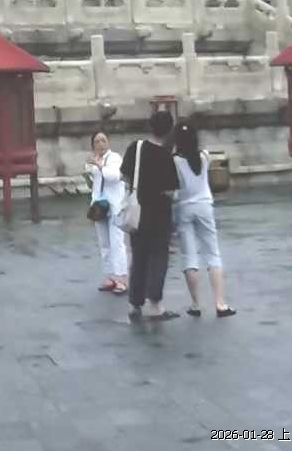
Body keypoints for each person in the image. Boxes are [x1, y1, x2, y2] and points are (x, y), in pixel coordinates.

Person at [119, 110, 179, 321]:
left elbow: (124, 176)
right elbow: (170, 191)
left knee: (139, 258)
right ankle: (155, 305)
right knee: (158, 258)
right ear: (169, 130)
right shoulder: (166, 157)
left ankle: (135, 303)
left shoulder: (136, 148)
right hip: (160, 215)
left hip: (138, 212)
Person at [170, 123, 234, 318]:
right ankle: (220, 303)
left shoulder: (175, 161)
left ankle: (196, 304)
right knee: (213, 253)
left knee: (190, 257)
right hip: (204, 206)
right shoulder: (204, 156)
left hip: (184, 207)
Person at [86, 131, 128, 295]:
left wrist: (100, 166)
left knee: (117, 242)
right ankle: (110, 276)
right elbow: (94, 183)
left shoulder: (115, 158)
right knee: (104, 243)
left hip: (115, 206)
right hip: (99, 205)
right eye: (97, 141)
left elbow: (115, 176)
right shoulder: (94, 160)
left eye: (103, 140)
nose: (101, 144)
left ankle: (121, 278)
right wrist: (89, 170)